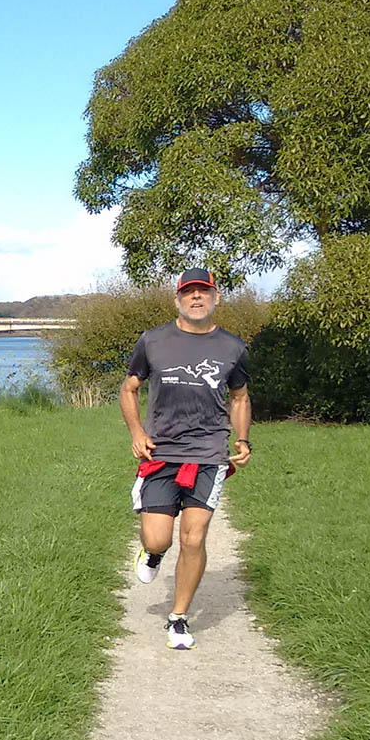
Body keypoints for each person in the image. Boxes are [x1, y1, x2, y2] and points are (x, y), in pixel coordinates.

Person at [119, 267, 251, 649]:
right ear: (177, 299)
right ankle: (152, 553)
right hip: (161, 451)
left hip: (208, 452)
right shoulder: (153, 341)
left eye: (203, 291)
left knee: (194, 538)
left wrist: (243, 439)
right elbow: (129, 389)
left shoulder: (233, 348)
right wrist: (137, 432)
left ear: (216, 297)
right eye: (189, 292)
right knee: (158, 537)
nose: (197, 297)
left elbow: (240, 397)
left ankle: (178, 618)